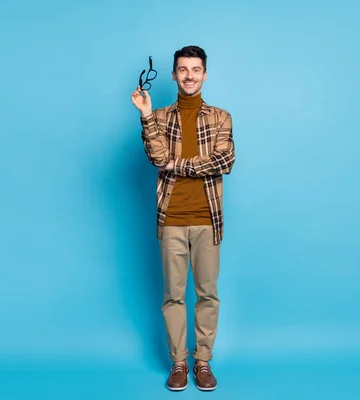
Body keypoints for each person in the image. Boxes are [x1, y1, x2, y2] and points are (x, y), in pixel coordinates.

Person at [131, 45, 235, 391]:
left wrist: (178, 165)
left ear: (204, 74)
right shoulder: (160, 117)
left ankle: (202, 361)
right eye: (183, 69)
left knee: (208, 293)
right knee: (173, 295)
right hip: (171, 218)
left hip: (207, 218)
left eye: (195, 69)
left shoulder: (221, 117)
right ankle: (179, 362)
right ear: (174, 75)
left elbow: (224, 161)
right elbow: (157, 157)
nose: (189, 75)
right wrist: (146, 114)